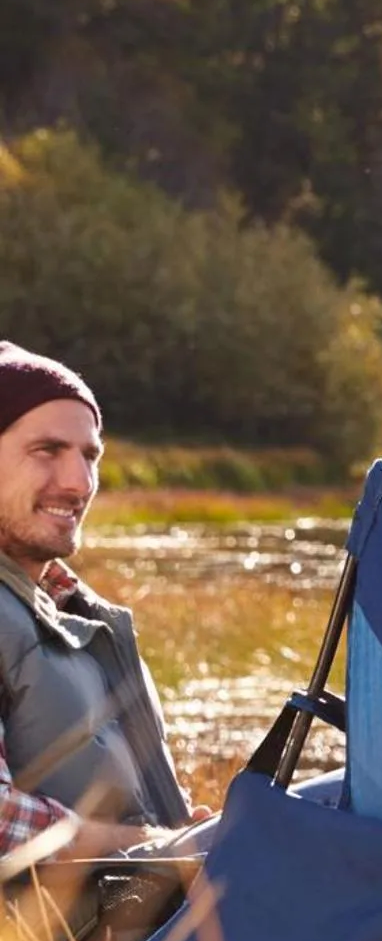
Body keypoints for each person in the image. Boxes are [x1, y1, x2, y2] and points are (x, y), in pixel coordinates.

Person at [0, 343, 197, 872]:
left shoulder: (81, 614)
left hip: (144, 917)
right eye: (47, 450)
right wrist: (150, 845)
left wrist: (186, 836)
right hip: (45, 939)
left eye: (89, 457)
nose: (79, 483)